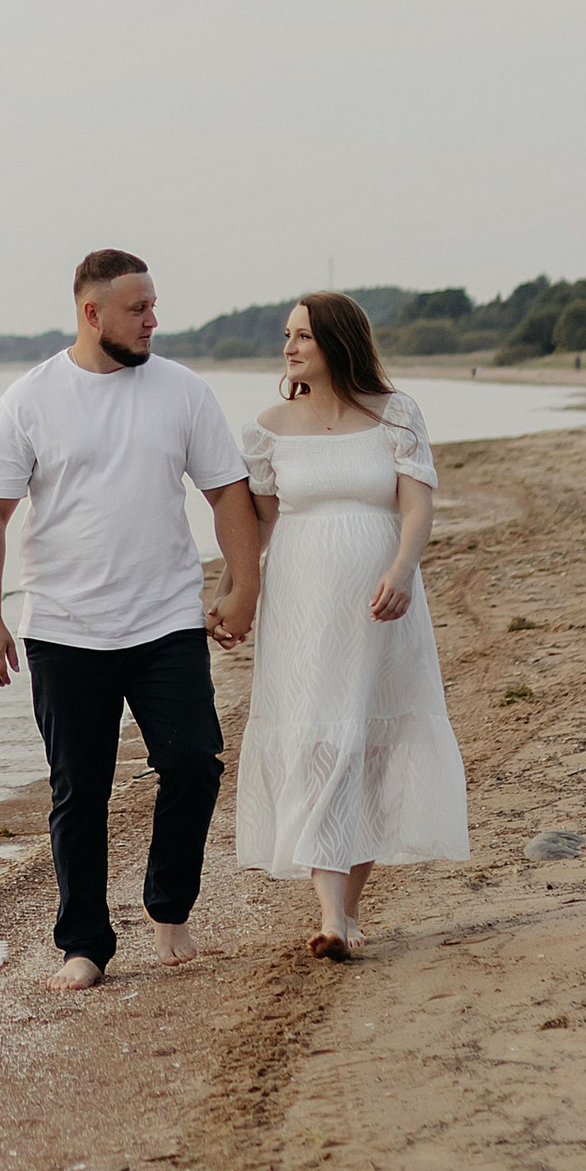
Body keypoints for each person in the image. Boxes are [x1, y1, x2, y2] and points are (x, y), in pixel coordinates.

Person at [0, 251, 260, 991]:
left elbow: (228, 492)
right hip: (65, 628)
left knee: (194, 762)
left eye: (154, 305)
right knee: (80, 790)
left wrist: (242, 583)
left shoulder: (182, 391)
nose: (153, 320)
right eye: (138, 309)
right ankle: (85, 946)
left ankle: (169, 907)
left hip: (165, 619)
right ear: (92, 314)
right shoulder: (29, 399)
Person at [237, 292, 467, 957]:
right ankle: (331, 915)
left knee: (368, 746)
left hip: (381, 600)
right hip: (303, 606)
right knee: (316, 742)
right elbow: (257, 524)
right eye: (286, 335)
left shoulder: (396, 415)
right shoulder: (268, 426)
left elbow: (417, 507)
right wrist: (235, 592)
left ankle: (348, 909)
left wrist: (403, 568)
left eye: (303, 335)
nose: (289, 346)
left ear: (338, 341)